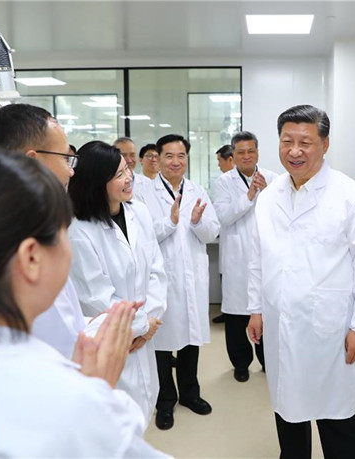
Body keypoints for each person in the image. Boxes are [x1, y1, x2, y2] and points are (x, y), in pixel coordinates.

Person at [0, 144, 167, 458]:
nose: (72, 168)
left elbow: (156, 271)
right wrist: (96, 397)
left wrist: (145, 323)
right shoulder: (63, 396)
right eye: (60, 233)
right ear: (31, 257)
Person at [247, 105, 355, 459]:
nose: (295, 151)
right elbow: (257, 258)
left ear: (325, 144)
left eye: (305, 142)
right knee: (287, 409)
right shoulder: (269, 197)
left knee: (338, 416)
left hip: (329, 327)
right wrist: (255, 309)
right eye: (287, 141)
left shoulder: (352, 196)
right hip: (280, 321)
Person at [67, 140, 168, 424]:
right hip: (111, 341)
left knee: (144, 405)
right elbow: (95, 297)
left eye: (127, 169)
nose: (129, 178)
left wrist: (149, 323)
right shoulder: (79, 230)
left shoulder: (139, 212)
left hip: (143, 334)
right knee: (117, 418)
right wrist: (142, 325)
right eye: (119, 174)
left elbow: (157, 270)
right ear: (97, 183)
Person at [0, 103, 85, 359]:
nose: (71, 171)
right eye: (65, 158)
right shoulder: (27, 235)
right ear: (32, 161)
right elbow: (62, 345)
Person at [138, 134, 221, 430]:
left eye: (181, 155)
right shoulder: (143, 193)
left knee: (190, 338)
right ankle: (165, 400)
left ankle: (190, 393)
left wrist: (197, 221)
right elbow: (141, 235)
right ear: (158, 159)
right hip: (161, 279)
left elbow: (212, 232)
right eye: (169, 156)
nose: (176, 161)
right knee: (161, 342)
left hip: (192, 277)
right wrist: (171, 222)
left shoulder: (198, 190)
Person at [213, 131, 278, 382]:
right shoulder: (224, 182)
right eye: (241, 152)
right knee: (237, 316)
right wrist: (249, 195)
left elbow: (282, 216)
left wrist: (264, 193)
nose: (246, 156)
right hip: (237, 260)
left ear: (258, 152)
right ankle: (240, 364)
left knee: (267, 313)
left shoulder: (274, 179)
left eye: (251, 151)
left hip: (266, 258)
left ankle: (267, 360)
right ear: (233, 155)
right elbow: (224, 217)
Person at [213, 144, 235, 325]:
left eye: (220, 160)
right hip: (229, 243)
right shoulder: (223, 182)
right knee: (227, 281)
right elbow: (222, 214)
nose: (219, 165)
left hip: (244, 247)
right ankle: (227, 312)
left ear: (230, 159)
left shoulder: (265, 179)